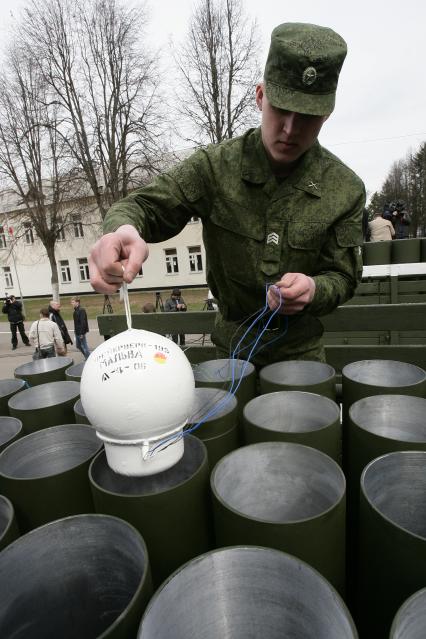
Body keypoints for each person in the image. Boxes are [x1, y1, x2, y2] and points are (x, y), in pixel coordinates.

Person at [89, 23, 365, 367]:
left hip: (301, 356)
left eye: (307, 117)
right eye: (281, 109)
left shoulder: (345, 190)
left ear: (326, 114)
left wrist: (314, 288)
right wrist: (123, 232)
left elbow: (344, 275)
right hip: (232, 354)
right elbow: (144, 206)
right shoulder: (214, 168)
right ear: (261, 96)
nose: (290, 130)